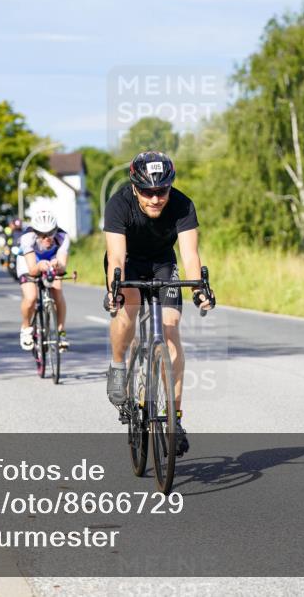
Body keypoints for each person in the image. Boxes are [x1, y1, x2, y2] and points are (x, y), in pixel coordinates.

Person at [103, 151, 215, 457]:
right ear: (135, 188)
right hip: (128, 262)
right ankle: (117, 366)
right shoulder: (118, 203)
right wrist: (116, 288)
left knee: (171, 330)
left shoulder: (182, 204)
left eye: (161, 191)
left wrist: (199, 289)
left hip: (163, 263)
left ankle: (174, 420)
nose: (155, 199)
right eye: (148, 192)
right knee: (128, 309)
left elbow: (190, 254)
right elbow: (115, 255)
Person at [17, 209, 71, 351]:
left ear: (56, 229)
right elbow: (33, 270)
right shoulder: (27, 238)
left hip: (51, 259)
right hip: (29, 262)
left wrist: (57, 265)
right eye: (42, 234)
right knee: (31, 297)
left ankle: (61, 332)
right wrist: (40, 266)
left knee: (58, 291)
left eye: (51, 233)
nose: (47, 237)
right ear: (36, 232)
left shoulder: (63, 236)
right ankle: (26, 328)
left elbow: (63, 266)